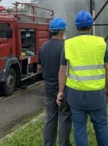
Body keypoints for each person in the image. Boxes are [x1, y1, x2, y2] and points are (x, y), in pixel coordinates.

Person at [57, 10, 108, 146]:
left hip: (75, 94)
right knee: (101, 126)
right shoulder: (101, 43)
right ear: (91, 26)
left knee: (79, 127)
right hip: (97, 94)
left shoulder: (68, 44)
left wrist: (61, 92)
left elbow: (62, 70)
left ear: (76, 27)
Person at [38, 18, 72, 146]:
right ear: (62, 31)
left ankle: (48, 144)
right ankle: (64, 144)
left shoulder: (43, 47)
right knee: (64, 116)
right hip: (63, 86)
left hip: (48, 86)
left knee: (50, 117)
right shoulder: (65, 46)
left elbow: (39, 67)